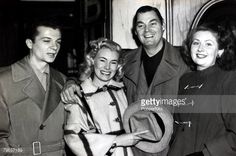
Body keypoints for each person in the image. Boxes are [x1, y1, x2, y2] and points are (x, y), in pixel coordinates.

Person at [60, 5, 188, 156]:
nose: (147, 30)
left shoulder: (186, 61)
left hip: (171, 150)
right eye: (141, 25)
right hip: (133, 150)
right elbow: (96, 77)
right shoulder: (126, 61)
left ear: (163, 26)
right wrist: (71, 82)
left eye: (153, 23)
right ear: (135, 31)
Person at [64, 38, 146, 156]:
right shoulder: (79, 96)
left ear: (118, 65)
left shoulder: (123, 89)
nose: (107, 67)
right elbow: (74, 139)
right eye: (102, 60)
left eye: (113, 62)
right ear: (92, 60)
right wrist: (116, 141)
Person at [0, 18, 66, 156]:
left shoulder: (63, 80)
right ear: (30, 43)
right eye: (47, 41)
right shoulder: (4, 80)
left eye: (58, 41)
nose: (54, 47)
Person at [168, 23, 236, 156]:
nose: (200, 48)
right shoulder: (184, 80)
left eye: (208, 44)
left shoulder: (228, 78)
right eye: (196, 43)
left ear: (220, 51)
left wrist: (206, 153)